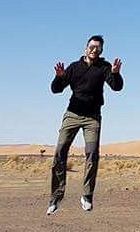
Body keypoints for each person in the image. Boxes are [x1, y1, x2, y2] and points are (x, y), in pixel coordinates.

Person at [46, 35, 123, 215]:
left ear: (101, 51)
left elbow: (116, 87)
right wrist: (59, 77)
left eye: (98, 48)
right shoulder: (74, 67)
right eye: (92, 47)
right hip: (72, 114)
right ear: (85, 48)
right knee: (59, 152)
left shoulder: (104, 67)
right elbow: (56, 89)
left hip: (92, 118)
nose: (94, 50)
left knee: (92, 154)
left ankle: (87, 195)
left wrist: (116, 73)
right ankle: (56, 197)